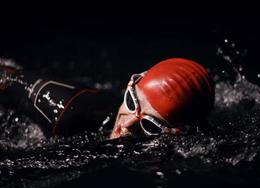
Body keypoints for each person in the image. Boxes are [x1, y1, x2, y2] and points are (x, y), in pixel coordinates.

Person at [0, 57, 214, 140]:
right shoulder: (62, 110)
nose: (127, 124)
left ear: (178, 133)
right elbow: (7, 78)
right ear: (131, 84)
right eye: (131, 102)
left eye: (151, 125)